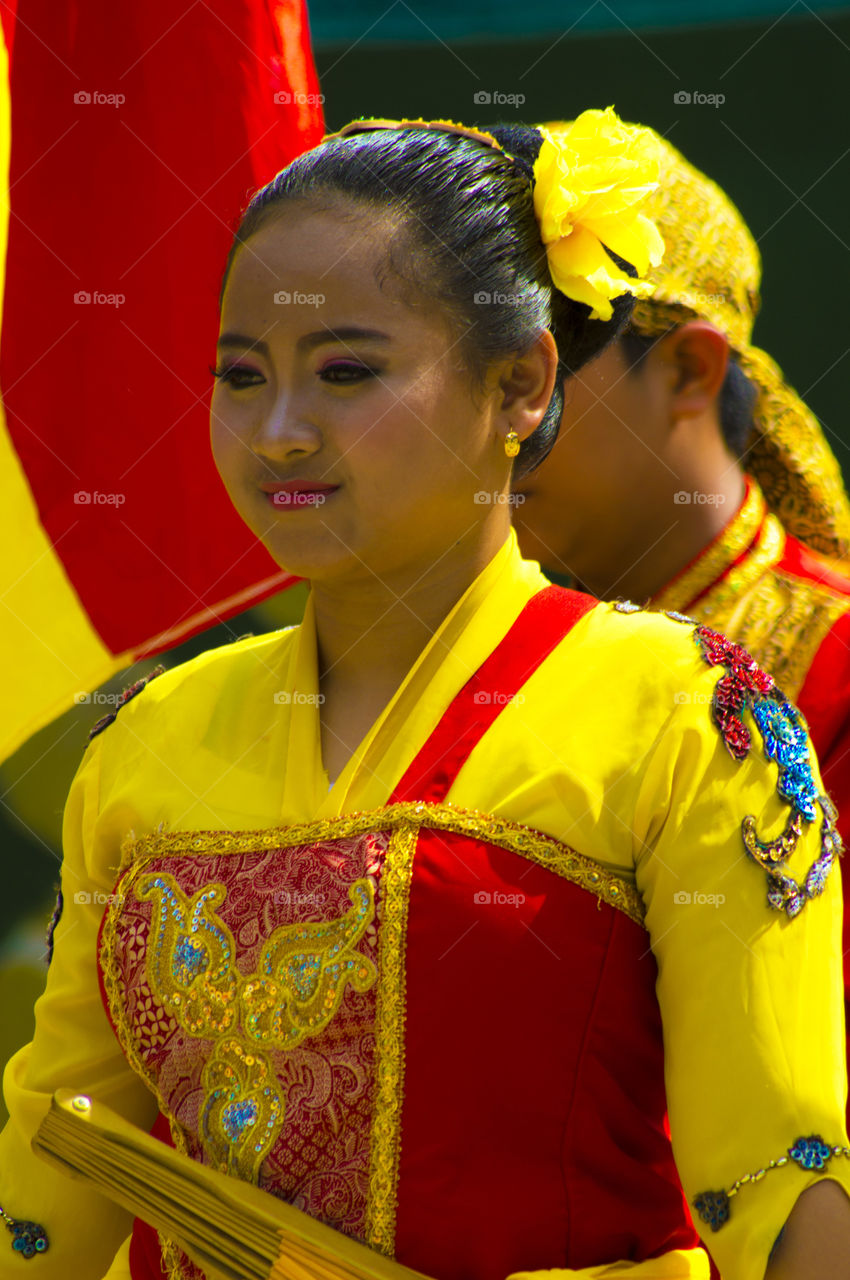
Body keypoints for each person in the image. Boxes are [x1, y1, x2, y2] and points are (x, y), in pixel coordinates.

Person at [1, 110, 849, 1280]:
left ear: (517, 385)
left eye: (346, 372)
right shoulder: (151, 740)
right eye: (241, 377)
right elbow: (50, 1182)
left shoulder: (685, 712)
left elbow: (778, 1171)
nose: (279, 431)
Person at [511, 123, 850, 1057]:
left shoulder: (835, 671)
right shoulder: (449, 645)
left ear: (690, 370)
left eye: (535, 373)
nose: (495, 421)